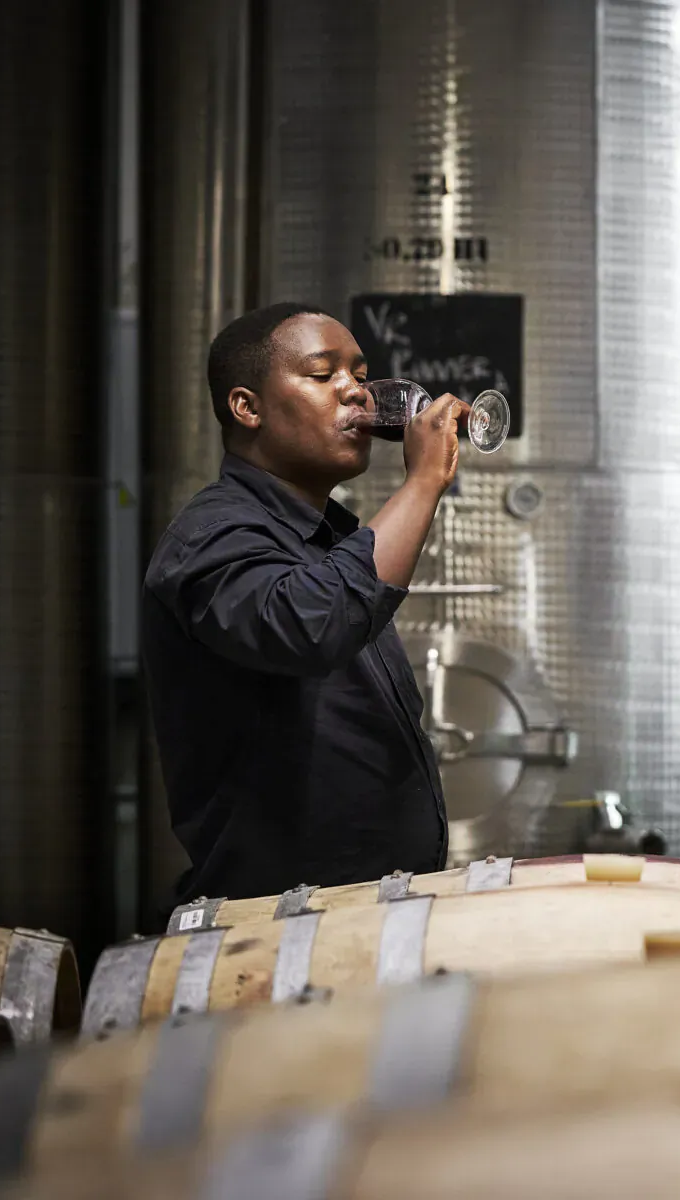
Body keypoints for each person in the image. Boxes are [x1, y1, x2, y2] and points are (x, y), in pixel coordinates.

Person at [141, 302, 464, 903]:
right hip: (276, 927)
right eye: (323, 376)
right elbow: (314, 626)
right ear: (248, 407)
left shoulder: (327, 537)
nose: (357, 394)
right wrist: (422, 484)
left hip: (353, 915)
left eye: (361, 376)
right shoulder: (214, 534)